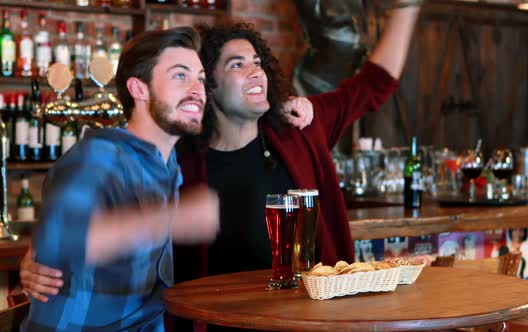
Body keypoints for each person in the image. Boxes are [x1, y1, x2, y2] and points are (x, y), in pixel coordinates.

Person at [21, 1, 421, 328]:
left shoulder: (296, 130)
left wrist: (406, 8)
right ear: (210, 90)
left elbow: (372, 84)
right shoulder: (170, 157)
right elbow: (71, 227)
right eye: (236, 64)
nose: (256, 71)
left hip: (307, 322)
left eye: (258, 61)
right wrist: (39, 255)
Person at [21, 27, 221, 331]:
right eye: (180, 76)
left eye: (201, 79)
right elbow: (60, 243)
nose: (197, 89)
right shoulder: (99, 155)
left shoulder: (167, 164)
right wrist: (172, 219)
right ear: (139, 89)